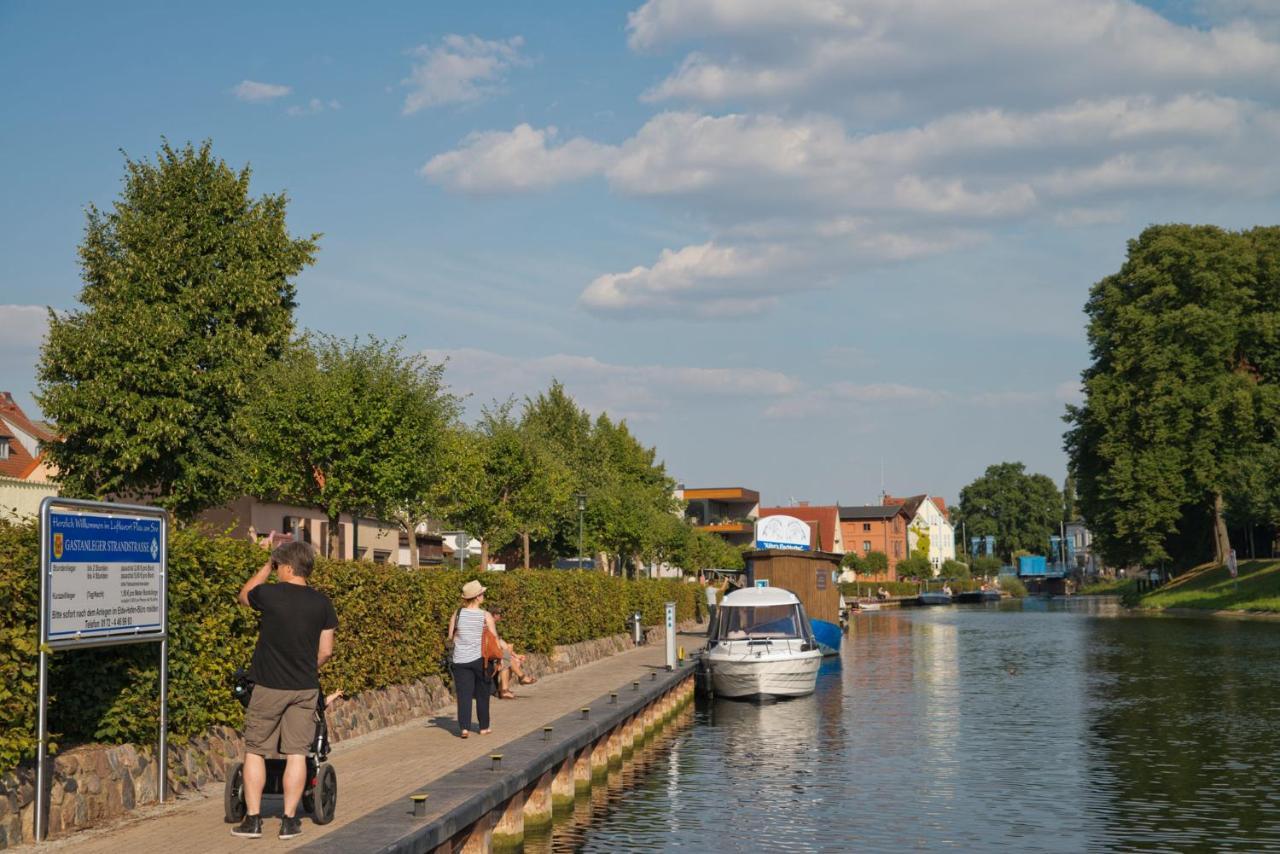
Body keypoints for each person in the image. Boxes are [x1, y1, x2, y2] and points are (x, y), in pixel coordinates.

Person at [232, 539, 337, 841]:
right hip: (304, 688)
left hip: (268, 686)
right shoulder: (322, 603)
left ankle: (253, 821)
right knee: (296, 753)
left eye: (278, 567)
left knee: (255, 750)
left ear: (287, 566)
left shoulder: (269, 594)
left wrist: (266, 564)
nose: (277, 571)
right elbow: (327, 650)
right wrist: (308, 668)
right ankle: (289, 822)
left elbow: (244, 595)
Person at [447, 580, 497, 738]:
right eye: (481, 593)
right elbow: (494, 638)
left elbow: (451, 637)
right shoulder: (485, 615)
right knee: (482, 694)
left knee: (464, 695)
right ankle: (483, 727)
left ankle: (464, 728)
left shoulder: (458, 613)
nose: (483, 596)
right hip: (480, 660)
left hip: (460, 660)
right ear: (476, 597)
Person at [490, 609, 537, 699]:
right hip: (488, 655)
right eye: (500, 614)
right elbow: (498, 643)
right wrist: (510, 653)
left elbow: (501, 643)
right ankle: (519, 679)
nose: (501, 617)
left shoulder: (493, 626)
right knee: (508, 659)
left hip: (495, 653)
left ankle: (502, 690)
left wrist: (516, 655)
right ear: (494, 615)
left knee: (514, 660)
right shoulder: (488, 625)